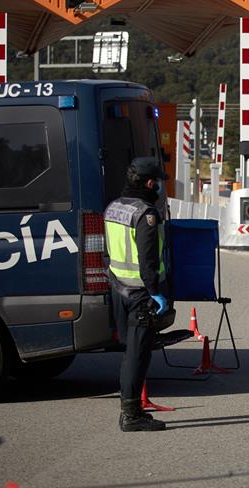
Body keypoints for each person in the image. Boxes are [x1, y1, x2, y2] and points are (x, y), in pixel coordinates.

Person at [104, 157, 169, 431]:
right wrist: (155, 291)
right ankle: (131, 415)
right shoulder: (146, 213)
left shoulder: (114, 207)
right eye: (159, 182)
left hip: (119, 288)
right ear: (150, 182)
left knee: (130, 351)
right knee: (138, 354)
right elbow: (148, 259)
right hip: (141, 294)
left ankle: (133, 410)